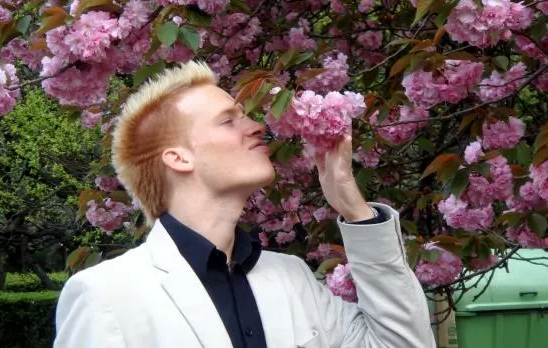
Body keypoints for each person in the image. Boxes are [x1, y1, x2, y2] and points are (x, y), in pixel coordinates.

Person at [53, 61, 435, 348]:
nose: (255, 126)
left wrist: (355, 211)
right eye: (227, 121)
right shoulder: (107, 294)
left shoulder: (293, 278)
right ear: (179, 158)